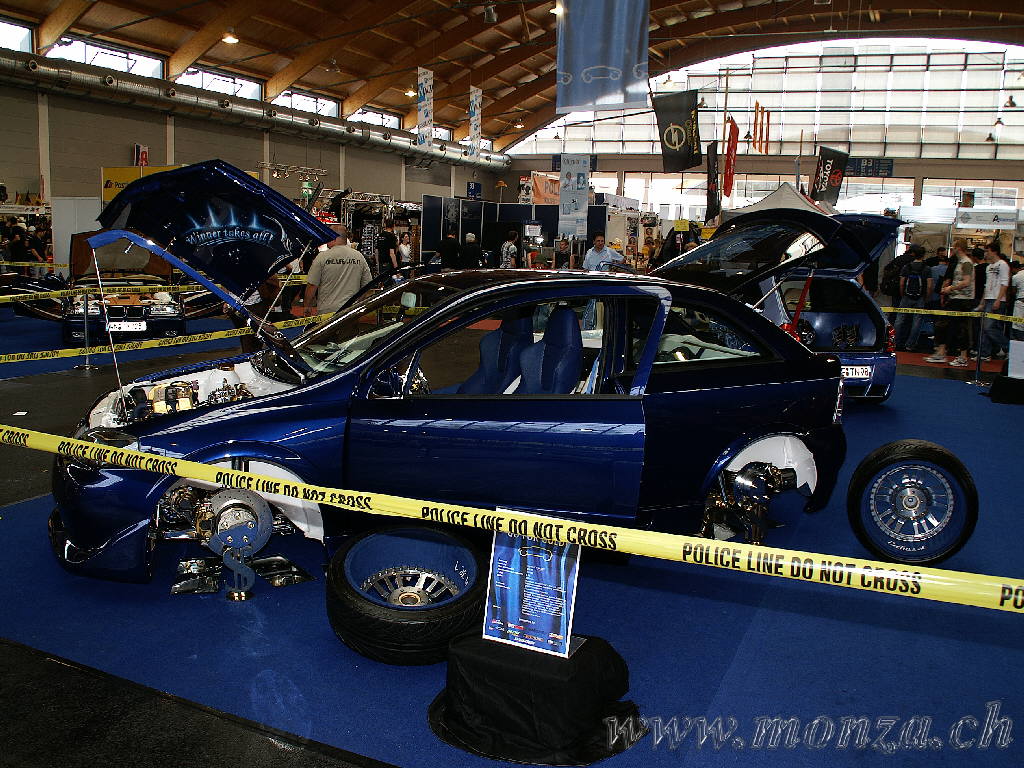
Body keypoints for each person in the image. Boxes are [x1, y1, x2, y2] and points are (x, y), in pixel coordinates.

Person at [304, 224, 372, 317]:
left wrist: (307, 306)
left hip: (327, 311)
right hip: (351, 310)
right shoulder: (359, 256)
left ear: (333, 237)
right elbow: (367, 285)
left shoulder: (322, 257)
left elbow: (312, 285)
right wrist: (357, 303)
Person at [925, 240, 973, 366]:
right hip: (955, 298)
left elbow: (967, 282)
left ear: (958, 248)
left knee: (961, 328)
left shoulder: (966, 263)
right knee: (943, 324)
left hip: (963, 299)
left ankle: (962, 357)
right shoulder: (960, 262)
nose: (952, 250)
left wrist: (950, 288)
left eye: (954, 247)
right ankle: (941, 352)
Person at [974, 242, 1010, 361]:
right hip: (988, 298)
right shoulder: (988, 267)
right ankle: (985, 353)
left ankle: (1008, 347)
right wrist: (982, 302)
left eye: (987, 251)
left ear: (994, 251)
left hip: (997, 299)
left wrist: (998, 300)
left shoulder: (1003, 265)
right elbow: (986, 286)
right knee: (985, 328)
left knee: (989, 328)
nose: (986, 253)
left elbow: (1005, 283)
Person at [892, 244, 931, 352]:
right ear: (923, 255)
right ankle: (910, 344)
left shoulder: (907, 267)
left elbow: (901, 283)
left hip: (906, 296)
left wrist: (903, 294)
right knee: (917, 321)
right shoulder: (927, 268)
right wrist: (926, 297)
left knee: (899, 319)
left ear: (913, 254)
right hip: (920, 297)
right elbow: (929, 285)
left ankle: (894, 342)